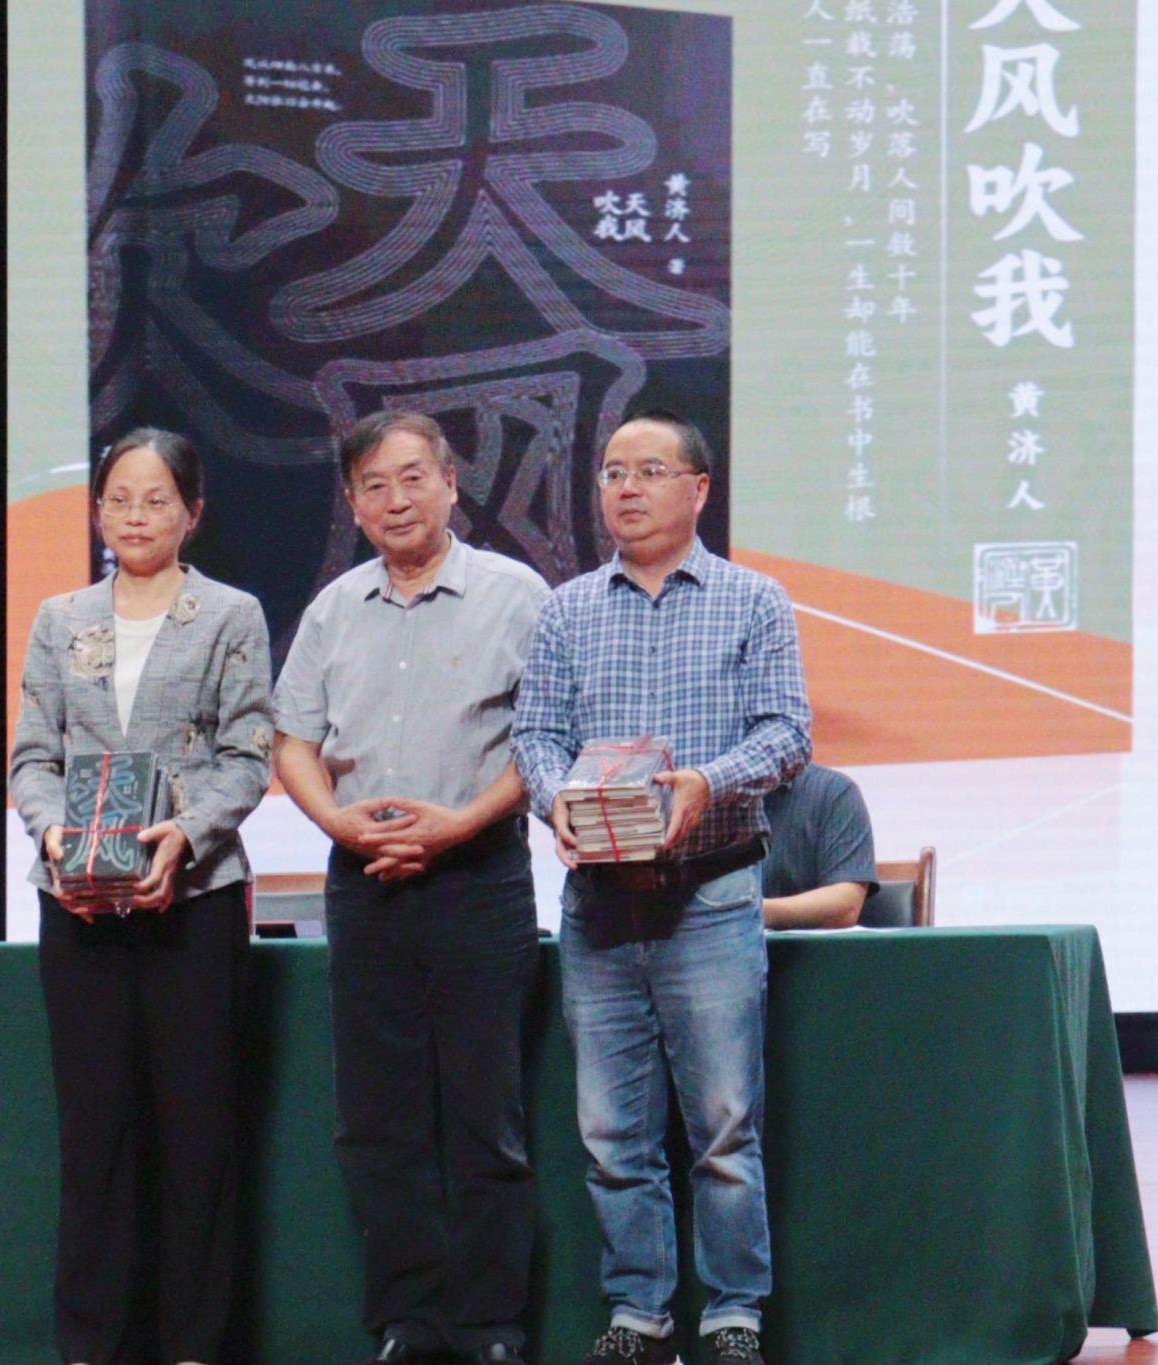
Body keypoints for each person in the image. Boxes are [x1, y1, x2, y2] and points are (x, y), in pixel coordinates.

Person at [512, 409, 811, 1365]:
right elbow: (534, 735)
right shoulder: (566, 609)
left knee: (723, 1126)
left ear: (699, 488)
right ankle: (638, 1312)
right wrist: (556, 800)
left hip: (710, 893)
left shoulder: (753, 600)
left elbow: (787, 732)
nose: (626, 488)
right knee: (611, 1132)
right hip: (599, 903)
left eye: (649, 470)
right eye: (611, 472)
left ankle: (733, 1313)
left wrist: (705, 784)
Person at [271, 411, 550, 1365]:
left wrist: (459, 824)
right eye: (374, 486)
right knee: (376, 1120)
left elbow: (545, 741)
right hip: (364, 884)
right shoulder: (332, 609)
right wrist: (339, 824)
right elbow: (293, 741)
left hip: (480, 877)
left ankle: (491, 1323)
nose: (396, 501)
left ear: (450, 484)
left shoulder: (517, 596)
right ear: (353, 504)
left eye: (412, 478)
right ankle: (408, 1319)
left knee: (484, 1114)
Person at [9, 428, 273, 1365]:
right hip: (78, 907)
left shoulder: (232, 615)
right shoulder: (59, 617)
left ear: (191, 512)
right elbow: (31, 757)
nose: (135, 515)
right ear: (96, 512)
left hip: (192, 903)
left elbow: (248, 754)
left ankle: (193, 1345)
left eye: (157, 499)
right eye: (119, 498)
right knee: (95, 1135)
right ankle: (91, 1344)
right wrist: (54, 837)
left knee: (198, 1134)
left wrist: (184, 836)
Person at [759, 763, 880, 930]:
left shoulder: (832, 791)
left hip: (801, 944)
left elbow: (846, 905)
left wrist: (748, 912)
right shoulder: (721, 796)